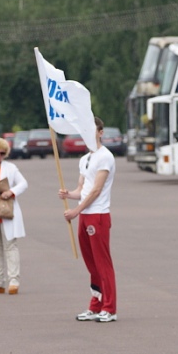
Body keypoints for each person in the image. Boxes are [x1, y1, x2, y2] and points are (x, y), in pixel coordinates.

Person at [58, 117, 117, 323]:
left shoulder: (105, 157)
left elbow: (96, 190)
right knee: (91, 264)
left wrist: (76, 210)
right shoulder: (84, 160)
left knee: (102, 263)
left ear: (100, 132)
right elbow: (81, 190)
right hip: (85, 215)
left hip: (98, 215)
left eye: (92, 130)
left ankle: (110, 308)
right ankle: (96, 305)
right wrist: (68, 195)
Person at [0, 138, 28, 295]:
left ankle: (14, 281)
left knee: (10, 246)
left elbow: (23, 183)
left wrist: (11, 192)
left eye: (2, 153)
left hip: (6, 210)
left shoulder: (10, 168)